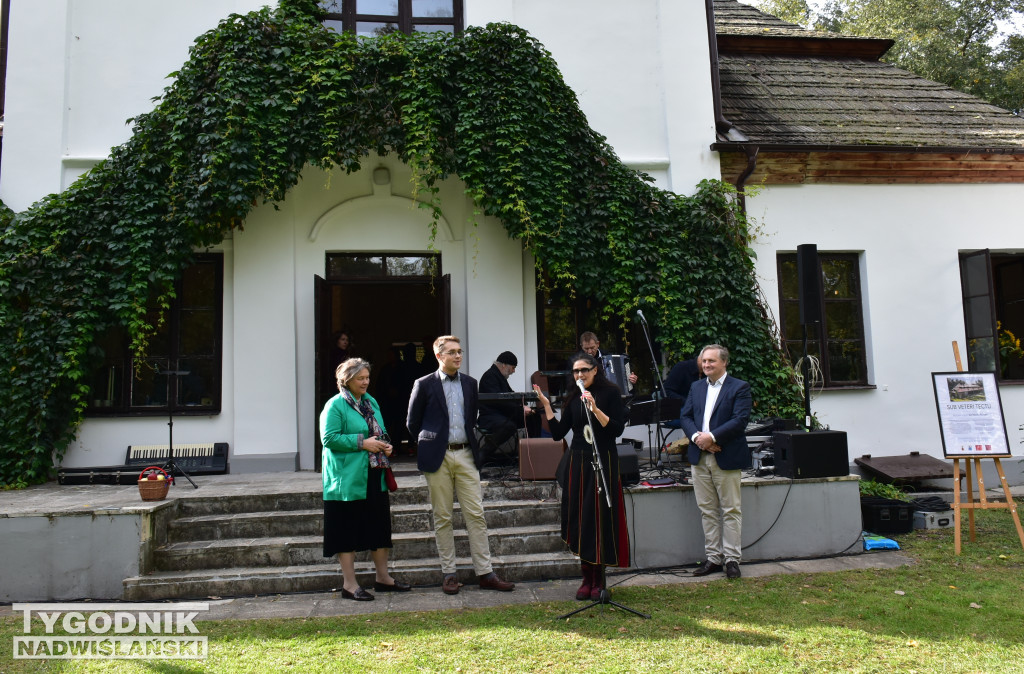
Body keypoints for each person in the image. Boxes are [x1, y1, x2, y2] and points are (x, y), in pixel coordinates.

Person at [406, 335, 516, 595]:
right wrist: (430, 443)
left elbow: (472, 417)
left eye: (460, 351)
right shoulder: (423, 384)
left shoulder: (470, 383)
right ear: (439, 356)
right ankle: (449, 573)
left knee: (476, 515)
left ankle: (486, 572)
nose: (458, 356)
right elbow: (412, 423)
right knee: (442, 517)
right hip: (438, 457)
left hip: (466, 455)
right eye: (452, 352)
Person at [533, 351, 630, 600]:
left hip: (603, 461)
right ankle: (586, 577)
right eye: (575, 371)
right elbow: (558, 433)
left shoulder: (610, 393)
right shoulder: (573, 397)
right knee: (582, 518)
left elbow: (617, 429)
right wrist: (546, 406)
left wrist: (596, 409)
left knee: (600, 518)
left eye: (584, 370)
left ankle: (599, 579)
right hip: (578, 462)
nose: (579, 375)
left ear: (595, 370)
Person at [320, 358, 411, 601]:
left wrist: (385, 445)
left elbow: (379, 431)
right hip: (346, 479)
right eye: (360, 378)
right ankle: (349, 585)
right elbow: (328, 439)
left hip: (374, 474)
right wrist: (363, 443)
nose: (366, 382)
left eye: (367, 377)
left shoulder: (371, 402)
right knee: (346, 530)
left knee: (379, 528)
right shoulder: (335, 405)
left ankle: (383, 578)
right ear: (347, 380)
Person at [678, 344, 752, 580]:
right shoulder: (696, 387)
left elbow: (739, 420)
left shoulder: (739, 387)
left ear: (724, 362)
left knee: (731, 509)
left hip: (726, 455)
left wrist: (712, 437)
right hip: (700, 457)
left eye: (712, 361)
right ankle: (713, 558)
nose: (707, 365)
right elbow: (686, 416)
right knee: (707, 510)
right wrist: (698, 438)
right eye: (704, 361)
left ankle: (731, 560)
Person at [477, 351, 539, 466]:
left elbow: (510, 395)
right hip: (489, 417)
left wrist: (522, 403)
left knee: (534, 417)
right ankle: (482, 454)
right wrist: (521, 409)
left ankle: (531, 455)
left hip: (501, 414)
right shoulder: (490, 376)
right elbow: (499, 402)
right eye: (513, 367)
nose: (514, 371)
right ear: (504, 364)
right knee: (509, 426)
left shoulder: (499, 376)